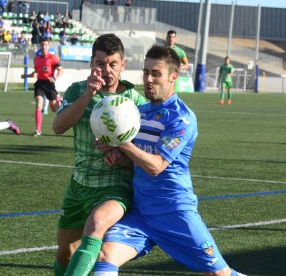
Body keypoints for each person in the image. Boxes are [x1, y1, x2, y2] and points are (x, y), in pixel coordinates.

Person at [93, 45, 245, 276]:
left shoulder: (181, 118)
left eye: (156, 74)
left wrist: (121, 142)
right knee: (106, 256)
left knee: (219, 274)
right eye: (145, 72)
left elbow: (156, 166)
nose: (148, 79)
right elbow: (136, 157)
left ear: (173, 77)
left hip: (175, 212)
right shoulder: (138, 113)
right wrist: (118, 156)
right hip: (142, 213)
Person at [52, 33, 146, 276]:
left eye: (113, 64)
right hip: (80, 184)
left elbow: (145, 153)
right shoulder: (77, 91)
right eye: (100, 63)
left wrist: (124, 159)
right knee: (64, 252)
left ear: (122, 64)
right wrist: (87, 97)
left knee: (95, 226)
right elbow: (58, 127)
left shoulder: (136, 102)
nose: (107, 70)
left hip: (114, 187)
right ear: (92, 64)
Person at [21, 38, 63, 136]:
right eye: (42, 45)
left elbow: (61, 70)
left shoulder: (53, 58)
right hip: (39, 83)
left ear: (48, 46)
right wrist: (26, 76)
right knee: (39, 104)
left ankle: (58, 98)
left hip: (49, 84)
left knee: (54, 109)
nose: (43, 47)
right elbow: (36, 72)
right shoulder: (37, 59)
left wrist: (55, 78)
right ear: (40, 46)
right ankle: (38, 130)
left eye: (45, 45)